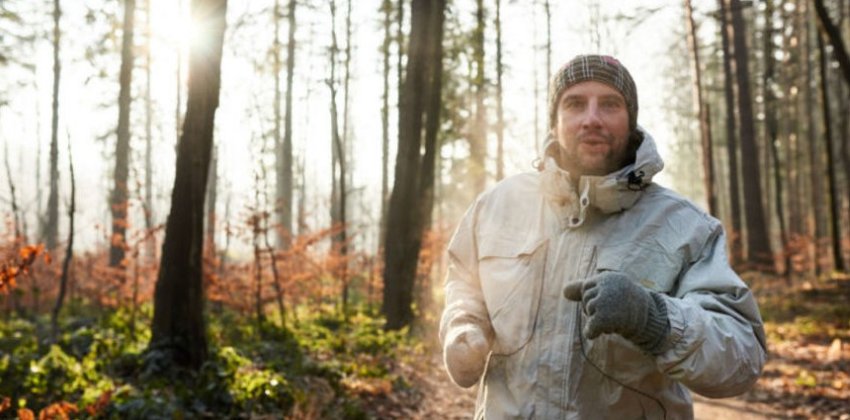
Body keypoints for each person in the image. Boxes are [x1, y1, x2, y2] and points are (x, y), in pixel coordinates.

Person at [439, 54, 766, 419]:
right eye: (575, 104)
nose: (591, 119)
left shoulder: (684, 227)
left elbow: (741, 358)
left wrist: (654, 319)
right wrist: (464, 326)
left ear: (631, 120)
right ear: (555, 120)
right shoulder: (498, 205)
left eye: (609, 104)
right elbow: (464, 285)